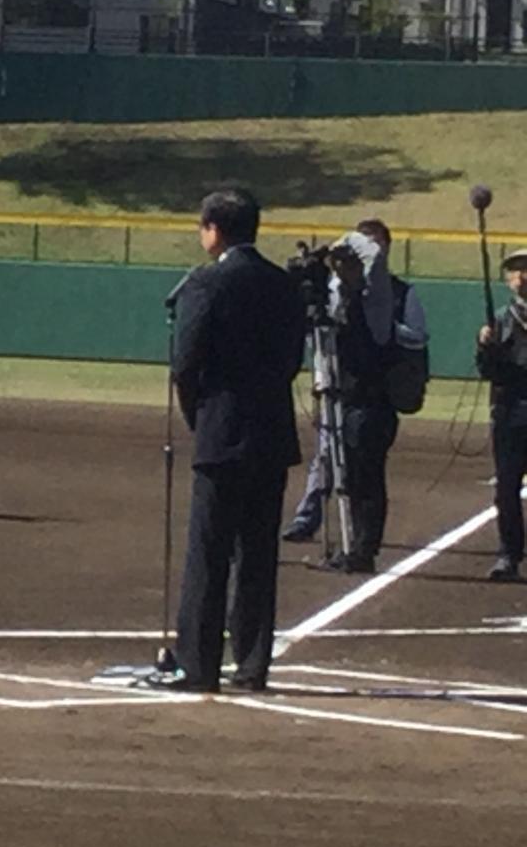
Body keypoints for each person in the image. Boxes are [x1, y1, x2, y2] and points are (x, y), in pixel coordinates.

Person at [147, 188, 307, 694]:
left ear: (214, 229)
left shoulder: (206, 283)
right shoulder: (284, 286)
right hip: (271, 432)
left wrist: (202, 418)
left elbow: (185, 364)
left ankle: (199, 663)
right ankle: (253, 663)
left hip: (222, 431)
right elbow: (290, 360)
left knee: (209, 553)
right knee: (258, 554)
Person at [284, 219, 428, 567]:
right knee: (343, 473)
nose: (342, 268)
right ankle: (348, 544)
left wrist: (343, 243)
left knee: (365, 477)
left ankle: (363, 548)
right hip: (342, 399)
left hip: (370, 402)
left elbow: (375, 259)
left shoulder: (377, 299)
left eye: (348, 263)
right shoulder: (334, 295)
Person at [477, 248, 527, 583]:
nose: (521, 277)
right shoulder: (500, 320)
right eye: (515, 271)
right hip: (511, 413)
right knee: (506, 488)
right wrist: (486, 347)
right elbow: (488, 372)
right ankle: (509, 554)